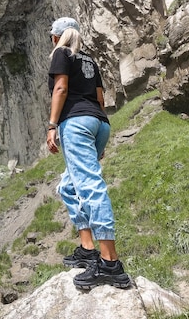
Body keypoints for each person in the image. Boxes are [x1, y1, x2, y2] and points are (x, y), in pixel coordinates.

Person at [46, 17, 131, 290]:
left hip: (76, 123)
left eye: (51, 37)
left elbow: (60, 88)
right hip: (98, 123)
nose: (52, 41)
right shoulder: (89, 60)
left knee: (91, 187)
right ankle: (87, 249)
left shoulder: (61, 53)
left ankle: (110, 264)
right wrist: (100, 133)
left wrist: (52, 125)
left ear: (58, 37)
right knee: (69, 187)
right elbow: (100, 97)